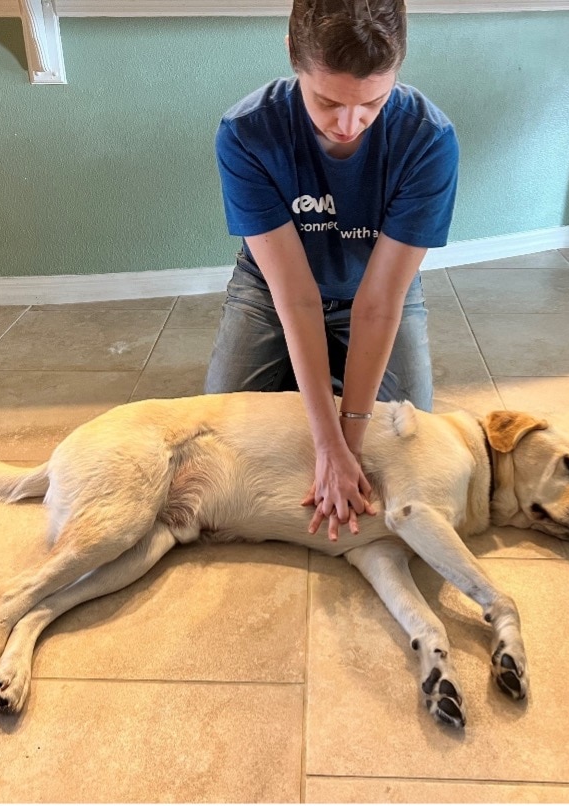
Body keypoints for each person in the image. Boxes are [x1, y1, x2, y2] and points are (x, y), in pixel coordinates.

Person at [205, 0, 459, 542]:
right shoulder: (246, 132)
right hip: (271, 290)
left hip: (377, 289)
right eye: (327, 101)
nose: (349, 125)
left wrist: (351, 439)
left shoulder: (429, 140)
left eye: (374, 102)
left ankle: (321, 381)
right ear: (292, 55)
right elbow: (293, 297)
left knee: (412, 434)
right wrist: (326, 446)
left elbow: (379, 303)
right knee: (220, 430)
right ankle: (319, 380)